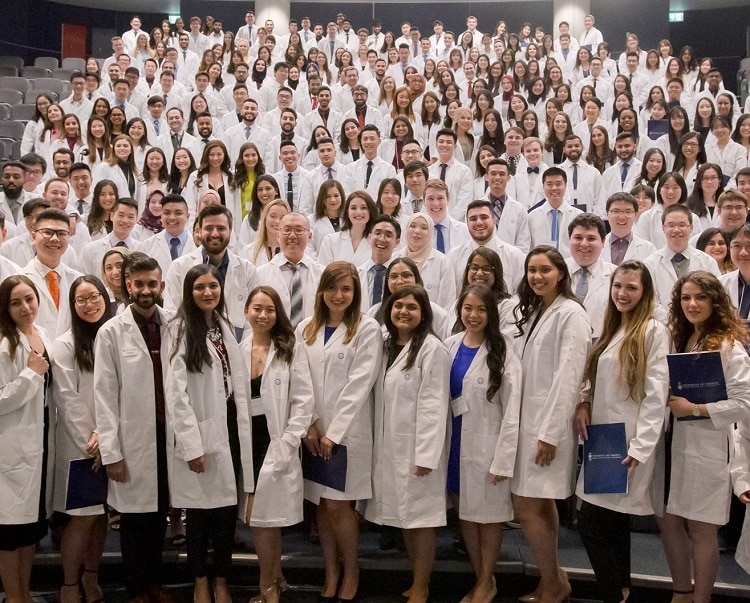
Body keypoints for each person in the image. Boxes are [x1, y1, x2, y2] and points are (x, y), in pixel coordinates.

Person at [573, 261, 670, 603]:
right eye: (618, 286)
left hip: (628, 442)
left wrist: (642, 446)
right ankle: (623, 590)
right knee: (612, 523)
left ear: (644, 293)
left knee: (591, 523)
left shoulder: (653, 331)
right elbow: (593, 377)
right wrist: (583, 403)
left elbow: (657, 394)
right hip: (603, 437)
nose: (622, 293)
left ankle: (613, 595)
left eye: (631, 287)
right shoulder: (613, 327)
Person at [165, 265, 254, 603]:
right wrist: (192, 446)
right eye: (200, 287)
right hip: (200, 433)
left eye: (213, 286)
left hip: (228, 427)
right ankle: (201, 580)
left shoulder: (223, 326)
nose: (207, 293)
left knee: (224, 516)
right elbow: (177, 395)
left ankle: (221, 580)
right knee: (200, 517)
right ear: (189, 292)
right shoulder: (178, 330)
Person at [663, 271, 750, 603]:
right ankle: (681, 592)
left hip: (708, 446)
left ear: (715, 301)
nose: (692, 304)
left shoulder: (728, 345)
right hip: (675, 445)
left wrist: (696, 409)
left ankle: (701, 599)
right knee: (670, 521)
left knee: (701, 529)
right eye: (685, 298)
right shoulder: (681, 339)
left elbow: (744, 403)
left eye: (700, 297)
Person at [511, 246, 591, 603]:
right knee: (542, 506)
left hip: (547, 429)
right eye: (531, 270)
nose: (537, 276)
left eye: (545, 269)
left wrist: (550, 434)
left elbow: (569, 376)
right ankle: (552, 577)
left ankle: (553, 583)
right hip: (532, 423)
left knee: (526, 506)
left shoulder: (571, 313)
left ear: (561, 272)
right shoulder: (540, 312)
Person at [299, 262, 382, 603]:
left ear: (355, 293)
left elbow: (359, 384)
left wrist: (332, 432)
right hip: (313, 431)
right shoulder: (306, 327)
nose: (338, 295)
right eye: (333, 288)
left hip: (345, 434)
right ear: (321, 291)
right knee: (321, 505)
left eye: (346, 289)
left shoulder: (367, 328)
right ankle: (330, 570)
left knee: (338, 506)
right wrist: (310, 423)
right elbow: (298, 378)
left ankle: (352, 569)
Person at [94, 253, 173, 603]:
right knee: (134, 520)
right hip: (132, 440)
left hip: (168, 437)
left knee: (159, 516)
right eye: (138, 284)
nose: (145, 290)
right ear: (127, 285)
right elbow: (104, 395)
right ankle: (137, 589)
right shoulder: (112, 331)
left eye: (151, 284)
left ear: (161, 286)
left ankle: (155, 584)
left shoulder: (173, 324)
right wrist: (111, 452)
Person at [365, 284, 449, 603]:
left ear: (424, 313)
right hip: (391, 447)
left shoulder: (432, 349)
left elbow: (434, 404)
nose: (404, 312)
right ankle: (416, 580)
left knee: (421, 520)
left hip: (419, 451)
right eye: (398, 306)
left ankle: (422, 585)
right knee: (405, 518)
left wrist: (426, 455)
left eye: (412, 307)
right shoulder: (385, 346)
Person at [444, 284, 522, 603]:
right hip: (455, 446)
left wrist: (503, 460)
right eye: (468, 308)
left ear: (490, 314)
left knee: (488, 518)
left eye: (480, 309)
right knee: (466, 513)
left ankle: (487, 580)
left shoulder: (502, 352)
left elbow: (512, 410)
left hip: (487, 446)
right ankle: (481, 579)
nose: (473, 315)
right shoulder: (448, 345)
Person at [241, 286, 314, 603]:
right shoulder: (238, 349)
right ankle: (276, 577)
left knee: (264, 519)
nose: (263, 315)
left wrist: (289, 440)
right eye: (257, 308)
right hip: (248, 440)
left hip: (276, 440)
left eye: (269, 309)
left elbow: (303, 400)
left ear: (278, 314)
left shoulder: (289, 348)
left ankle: (266, 586)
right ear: (246, 311)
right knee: (260, 517)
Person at [51, 276, 113, 603]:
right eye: (81, 300)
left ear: (104, 297)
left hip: (110, 441)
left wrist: (108, 435)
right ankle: (69, 585)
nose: (89, 304)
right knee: (81, 515)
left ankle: (92, 578)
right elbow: (67, 397)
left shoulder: (114, 336)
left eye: (94, 297)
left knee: (99, 514)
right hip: (81, 445)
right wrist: (94, 437)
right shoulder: (64, 345)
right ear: (72, 307)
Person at [0, 275, 52, 603]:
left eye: (29, 299)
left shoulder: (42, 334)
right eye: (16, 302)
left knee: (30, 530)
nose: (25, 307)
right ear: (5, 308)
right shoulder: (5, 344)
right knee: (10, 534)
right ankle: (14, 596)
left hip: (39, 441)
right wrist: (30, 373)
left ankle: (25, 592)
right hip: (11, 447)